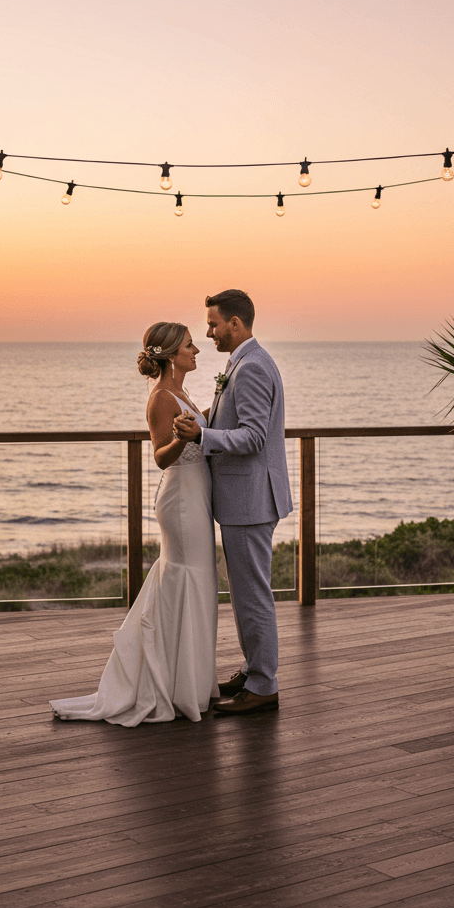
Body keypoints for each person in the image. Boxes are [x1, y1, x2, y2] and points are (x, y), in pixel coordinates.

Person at [49, 322, 218, 726]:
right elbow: (162, 456)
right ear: (173, 354)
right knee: (186, 579)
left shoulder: (180, 392)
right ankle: (171, 686)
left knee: (198, 580)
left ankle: (187, 681)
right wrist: (186, 438)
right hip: (180, 501)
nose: (197, 350)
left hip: (195, 496)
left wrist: (210, 415)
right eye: (190, 345)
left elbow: (196, 426)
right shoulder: (161, 397)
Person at [174, 289, 292, 715]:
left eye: (213, 324)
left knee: (252, 595)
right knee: (245, 593)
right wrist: (207, 417)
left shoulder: (253, 367)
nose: (208, 333)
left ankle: (263, 685)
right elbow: (237, 421)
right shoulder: (242, 363)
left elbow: (255, 437)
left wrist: (202, 436)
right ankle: (253, 669)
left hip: (251, 499)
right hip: (246, 498)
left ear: (236, 324)